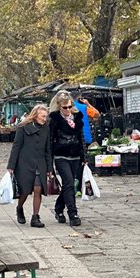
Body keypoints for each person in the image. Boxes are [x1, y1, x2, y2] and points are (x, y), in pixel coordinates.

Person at [6, 104, 53, 228]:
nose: (44, 119)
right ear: (35, 115)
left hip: (40, 163)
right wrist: (11, 166)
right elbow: (16, 147)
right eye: (43, 116)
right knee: (25, 191)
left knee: (38, 189)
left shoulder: (46, 128)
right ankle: (20, 207)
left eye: (46, 117)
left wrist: (49, 168)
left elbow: (48, 149)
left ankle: (35, 217)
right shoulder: (23, 127)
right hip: (24, 163)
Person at [49, 91, 85, 227]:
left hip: (75, 155)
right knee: (68, 182)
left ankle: (58, 209)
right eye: (64, 107)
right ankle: (73, 213)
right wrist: (49, 163)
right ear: (59, 106)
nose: (68, 110)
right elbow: (50, 141)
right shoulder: (54, 119)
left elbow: (81, 138)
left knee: (70, 185)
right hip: (61, 155)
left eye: (69, 106)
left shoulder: (77, 118)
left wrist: (84, 156)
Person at [73, 93, 100, 195]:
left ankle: (72, 185)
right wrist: (88, 104)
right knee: (82, 162)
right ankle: (79, 187)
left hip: (72, 138)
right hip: (85, 138)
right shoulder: (84, 107)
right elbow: (97, 114)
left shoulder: (67, 108)